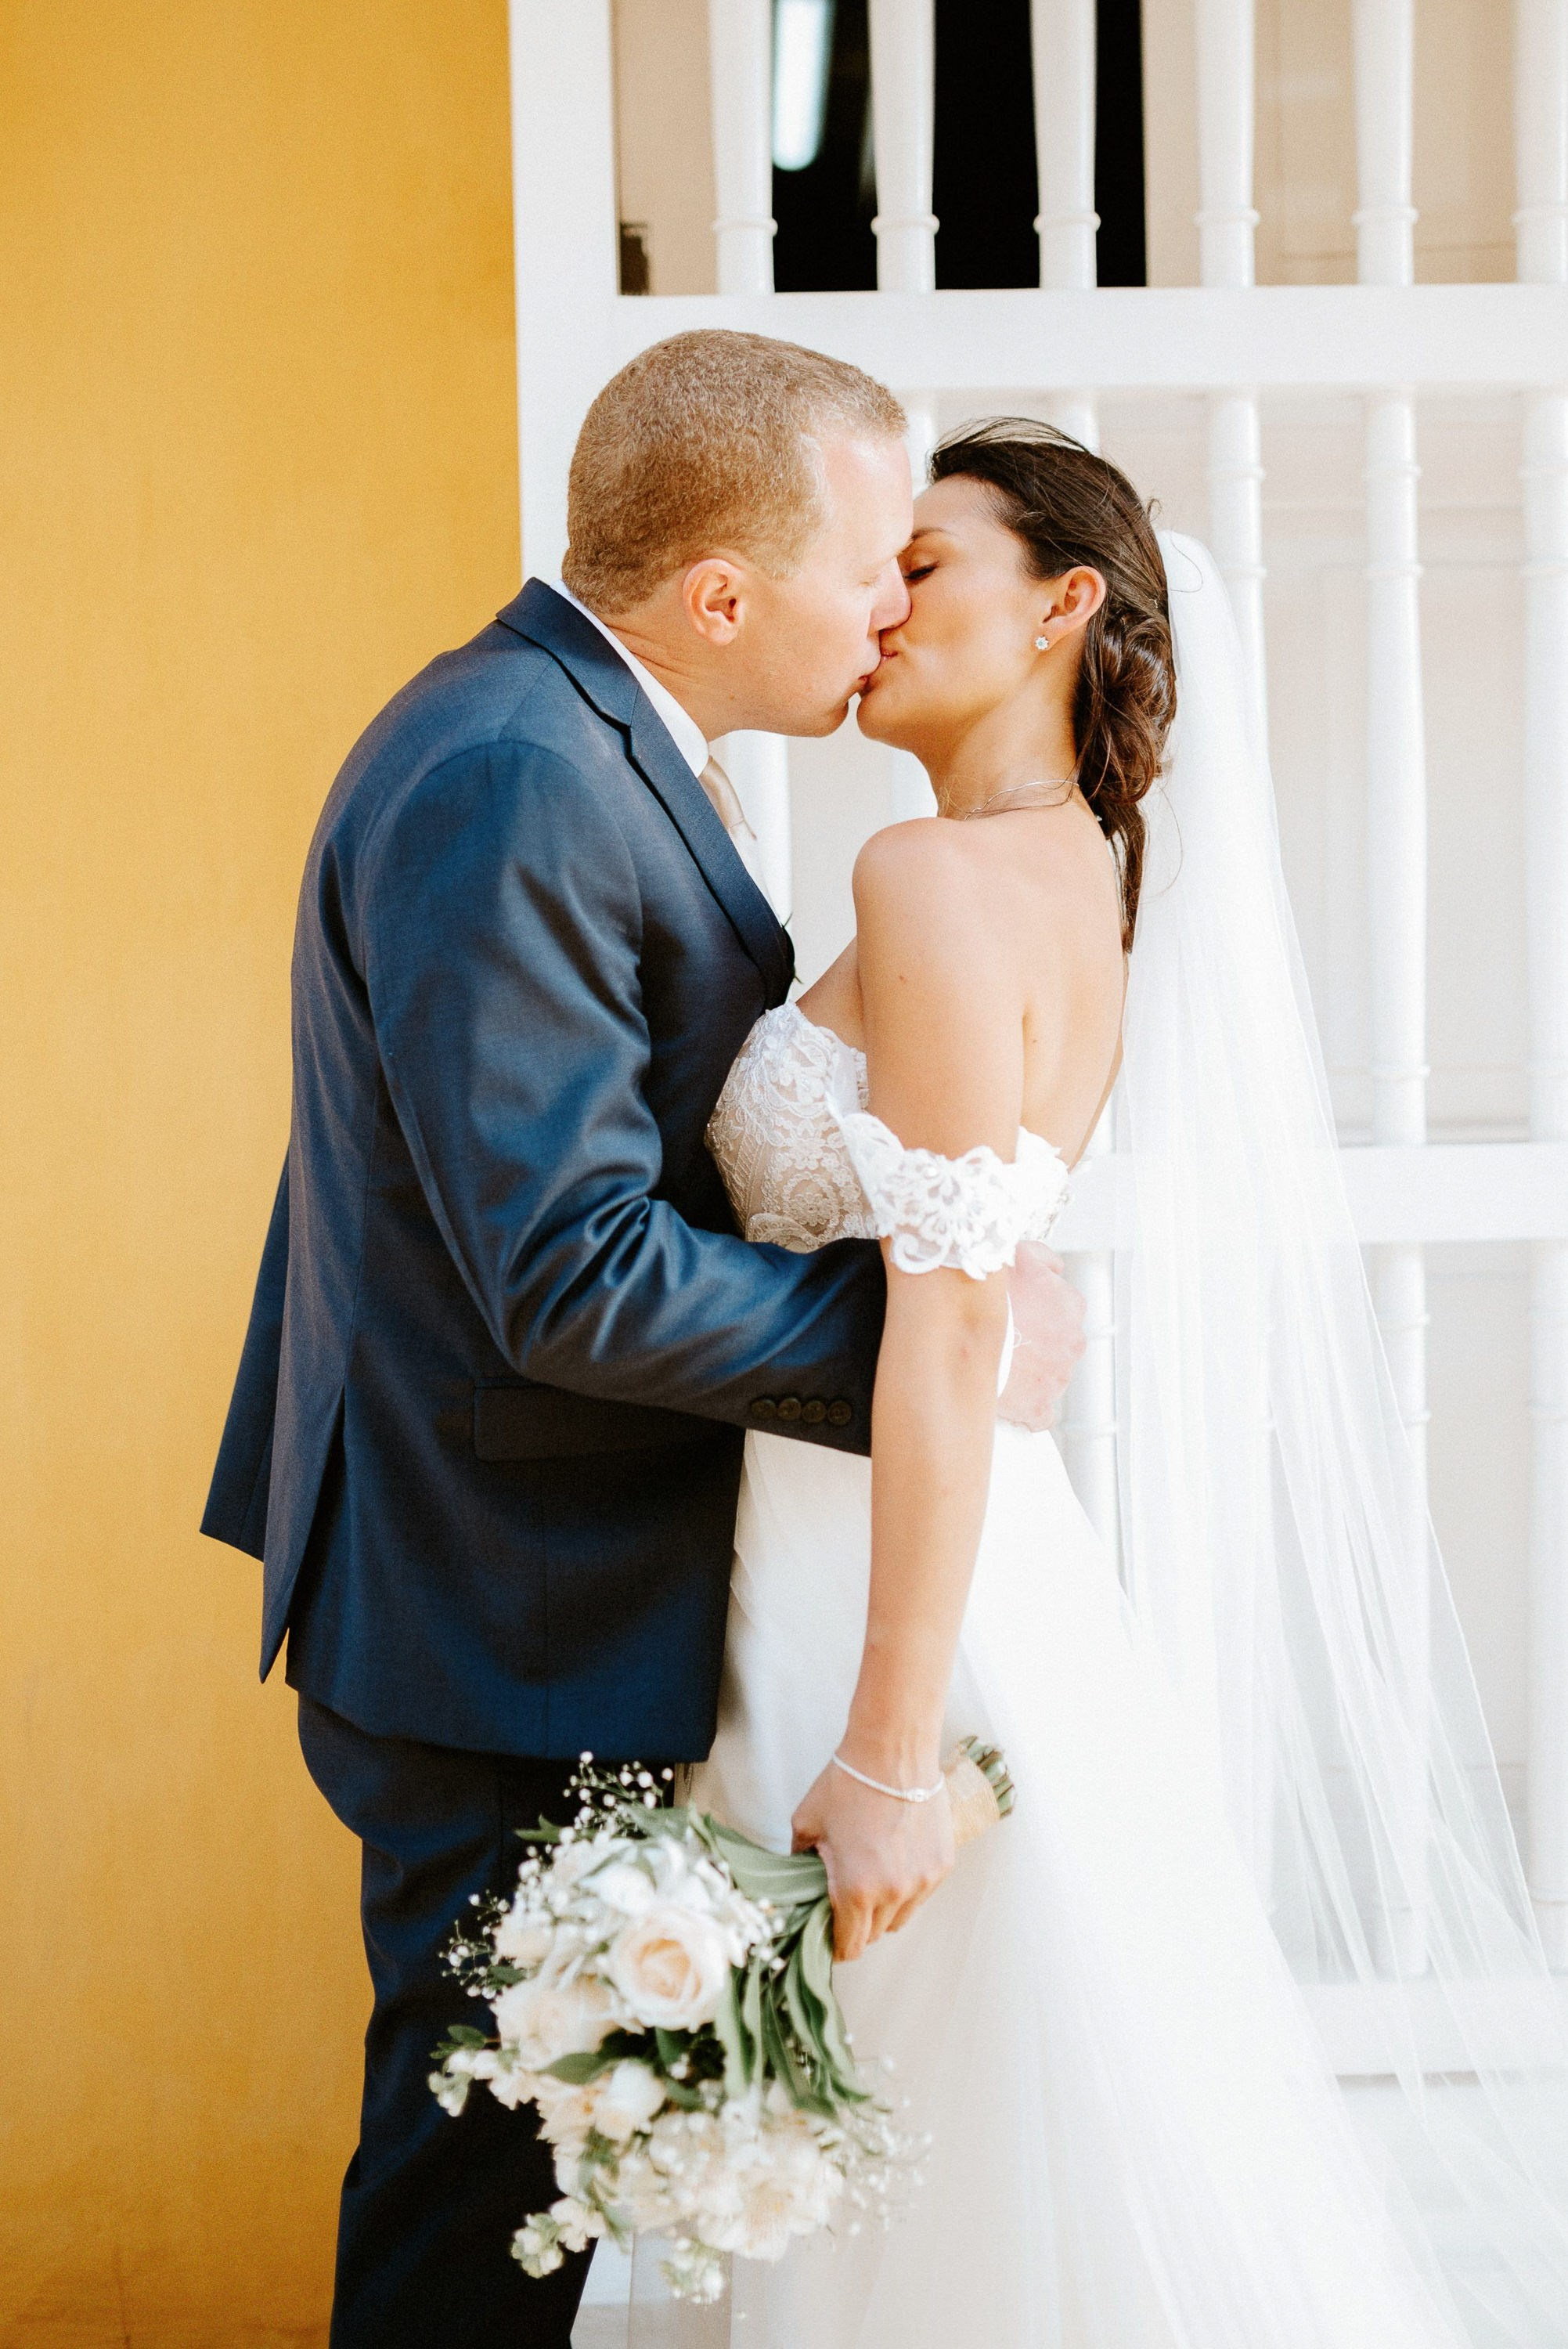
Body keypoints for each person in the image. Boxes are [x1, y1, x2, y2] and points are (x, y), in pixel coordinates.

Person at [199, 332, 1087, 2349]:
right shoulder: (518, 771)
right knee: (471, 2184)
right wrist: (928, 1329)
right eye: (877, 558)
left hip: (549, 1570)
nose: (892, 604)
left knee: (550, 2165)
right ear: (720, 598)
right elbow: (570, 1268)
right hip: (493, 1600)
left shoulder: (583, 742)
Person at [685, 422, 1568, 2346]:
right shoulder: (1073, 871)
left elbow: (955, 1321)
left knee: (901, 2141)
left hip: (884, 1605)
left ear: (1064, 605)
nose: (879, 601)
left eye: (927, 563)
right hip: (959, 1567)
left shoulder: (927, 870)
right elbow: (981, 1259)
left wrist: (892, 1749)